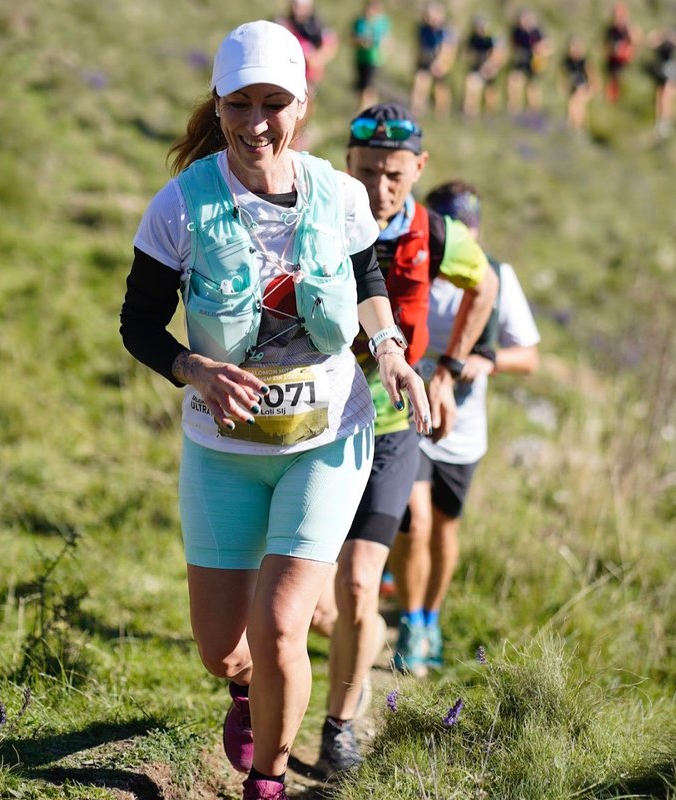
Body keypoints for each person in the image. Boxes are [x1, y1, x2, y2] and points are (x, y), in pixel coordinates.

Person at [119, 21, 431, 800]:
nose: (256, 123)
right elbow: (138, 324)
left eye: (274, 104)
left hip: (325, 441)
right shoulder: (179, 207)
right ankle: (243, 689)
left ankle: (269, 782)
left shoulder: (340, 195)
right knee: (223, 648)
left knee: (283, 624)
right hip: (224, 452)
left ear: (302, 105)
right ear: (217, 104)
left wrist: (389, 348)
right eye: (239, 104)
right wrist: (193, 368)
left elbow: (367, 283)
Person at [310, 104, 499, 776]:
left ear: (419, 168)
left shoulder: (438, 234)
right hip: (317, 421)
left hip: (390, 432)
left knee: (361, 583)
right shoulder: (321, 215)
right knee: (312, 599)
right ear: (347, 164)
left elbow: (486, 285)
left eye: (394, 174)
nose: (379, 187)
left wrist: (447, 370)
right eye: (366, 172)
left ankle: (338, 728)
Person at [387, 180, 540, 676]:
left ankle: (431, 618)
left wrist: (486, 361)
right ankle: (409, 619)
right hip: (409, 415)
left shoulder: (496, 275)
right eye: (454, 227)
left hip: (464, 430)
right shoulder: (411, 264)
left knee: (444, 527)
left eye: (470, 228)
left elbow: (529, 356)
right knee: (414, 519)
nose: (464, 236)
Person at [277, 0, 338, 106]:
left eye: (300, 6)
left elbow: (330, 43)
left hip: (309, 75)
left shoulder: (317, 25)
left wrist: (317, 59)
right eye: (295, 5)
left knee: (306, 103)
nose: (297, 10)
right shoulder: (284, 23)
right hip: (287, 73)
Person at [410, 2, 458, 118]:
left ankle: (441, 113)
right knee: (420, 81)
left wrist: (441, 63)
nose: (428, 19)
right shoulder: (423, 28)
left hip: (442, 62)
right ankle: (417, 108)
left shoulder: (446, 31)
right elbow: (419, 44)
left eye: (430, 16)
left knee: (440, 88)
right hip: (426, 59)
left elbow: (449, 50)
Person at [506, 8, 551, 116]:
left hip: (535, 62)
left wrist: (539, 50)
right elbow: (513, 45)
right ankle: (514, 108)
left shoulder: (538, 31)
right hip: (522, 60)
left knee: (533, 87)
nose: (524, 22)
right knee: (513, 80)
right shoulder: (516, 31)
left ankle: (534, 111)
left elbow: (548, 46)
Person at [462, 14, 506, 119]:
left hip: (491, 68)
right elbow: (467, 54)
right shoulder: (473, 38)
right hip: (477, 67)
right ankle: (470, 112)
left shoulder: (493, 37)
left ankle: (490, 114)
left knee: (490, 91)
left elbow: (499, 55)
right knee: (471, 85)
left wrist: (490, 66)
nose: (480, 29)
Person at [645, 27, 676, 140]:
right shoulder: (661, 40)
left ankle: (667, 123)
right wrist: (663, 37)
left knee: (668, 98)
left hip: (671, 74)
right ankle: (661, 122)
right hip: (661, 73)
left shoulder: (675, 43)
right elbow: (651, 42)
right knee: (660, 97)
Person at [351, 0, 392, 111]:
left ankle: (366, 111)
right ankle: (364, 110)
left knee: (368, 88)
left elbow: (387, 41)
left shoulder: (382, 23)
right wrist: (361, 42)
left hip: (375, 60)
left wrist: (383, 50)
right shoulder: (360, 22)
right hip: (361, 58)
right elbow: (352, 38)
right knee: (361, 88)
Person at [603, 3, 637, 104]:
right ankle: (611, 102)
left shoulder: (628, 29)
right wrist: (612, 50)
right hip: (613, 61)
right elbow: (604, 46)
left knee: (621, 81)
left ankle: (620, 101)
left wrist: (627, 51)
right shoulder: (610, 30)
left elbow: (635, 41)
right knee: (612, 81)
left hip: (624, 61)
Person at [561, 36, 596, 134]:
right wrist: (564, 83)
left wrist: (591, 87)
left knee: (574, 105)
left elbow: (591, 75)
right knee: (575, 106)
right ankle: (575, 128)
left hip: (583, 86)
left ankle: (577, 127)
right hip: (574, 86)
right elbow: (564, 74)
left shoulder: (583, 61)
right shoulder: (567, 61)